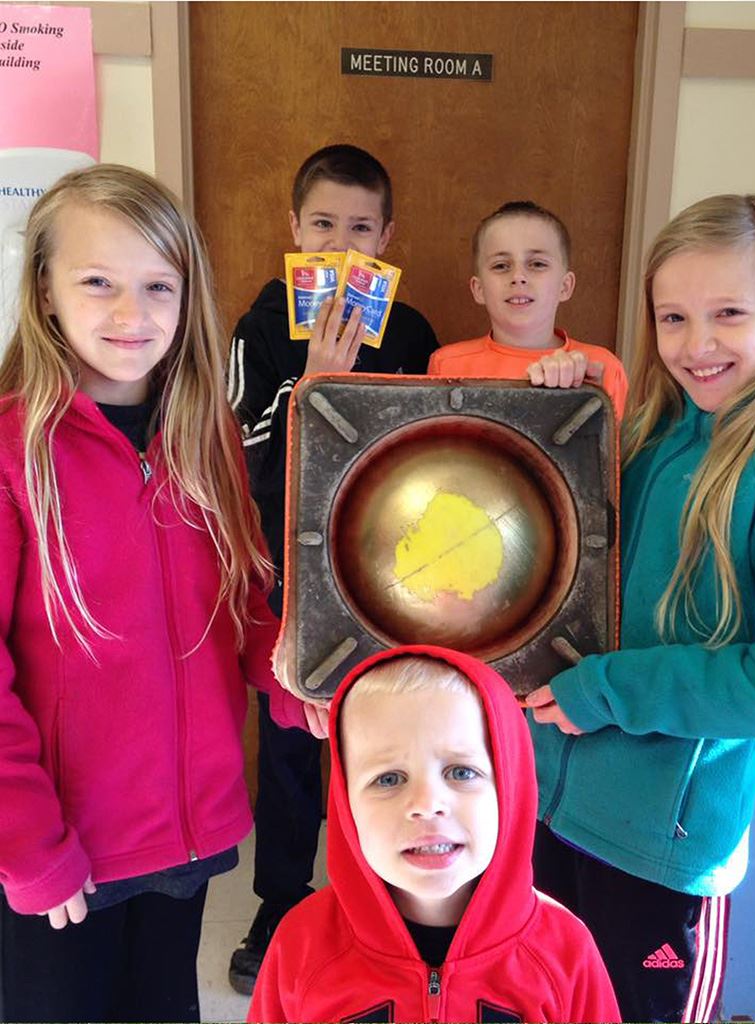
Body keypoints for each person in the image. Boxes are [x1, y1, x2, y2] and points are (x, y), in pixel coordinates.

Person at [0, 163, 326, 1024]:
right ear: (45, 289)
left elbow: (246, 608)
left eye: (157, 286)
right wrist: (27, 843)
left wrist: (302, 688)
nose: (129, 314)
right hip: (65, 854)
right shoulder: (11, 452)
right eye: (98, 282)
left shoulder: (206, 433)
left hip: (191, 838)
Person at [526, 194, 755, 1022]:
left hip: (664, 852)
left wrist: (612, 690)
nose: (698, 345)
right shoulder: (652, 431)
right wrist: (567, 403)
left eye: (729, 313)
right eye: (673, 317)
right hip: (556, 810)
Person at [226, 144, 438, 993]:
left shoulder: (413, 329)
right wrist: (312, 384)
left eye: (361, 228)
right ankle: (280, 898)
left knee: (382, 742)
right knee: (285, 742)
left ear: (387, 236)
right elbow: (243, 456)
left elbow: (434, 452)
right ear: (294, 229)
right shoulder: (263, 324)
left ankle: (383, 894)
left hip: (389, 582)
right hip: (290, 576)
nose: (344, 247)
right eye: (324, 225)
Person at [248, 647, 621, 1023]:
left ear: (510, 788)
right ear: (346, 804)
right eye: (388, 779)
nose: (427, 804)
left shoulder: (565, 953)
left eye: (461, 772)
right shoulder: (301, 946)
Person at [427, 200, 628, 421]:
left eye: (537, 264)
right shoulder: (447, 364)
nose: (518, 277)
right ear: (479, 289)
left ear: (565, 286)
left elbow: (611, 453)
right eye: (501, 265)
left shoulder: (602, 368)